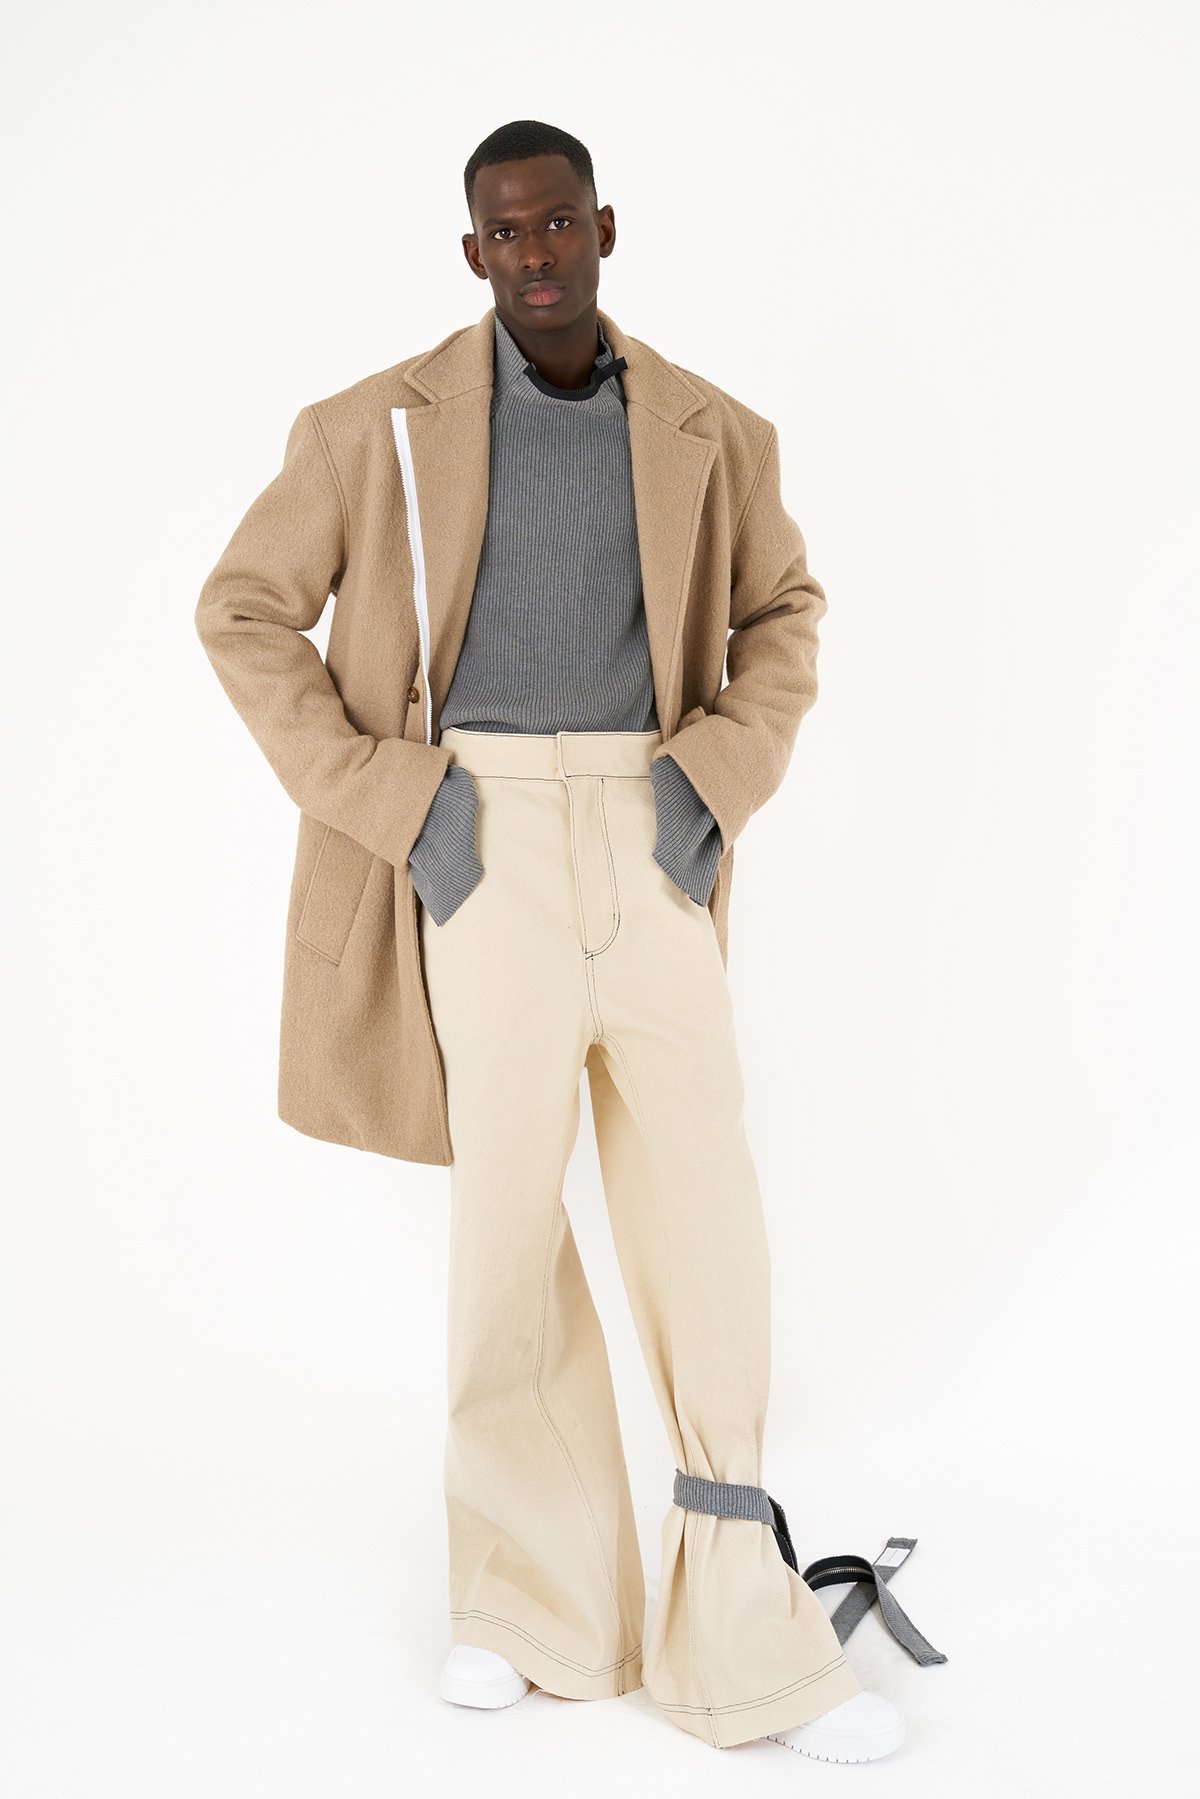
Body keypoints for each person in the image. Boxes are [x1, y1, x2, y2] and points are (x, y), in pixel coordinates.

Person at [195, 116, 904, 1763]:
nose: (536, 256)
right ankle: (530, 1603)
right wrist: (400, 805)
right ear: (471, 254)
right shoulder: (372, 428)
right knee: (506, 1229)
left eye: (560, 225)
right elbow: (242, 607)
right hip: (478, 841)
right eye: (505, 235)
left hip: (656, 836)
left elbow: (784, 613)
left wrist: (714, 781)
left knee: (704, 1228)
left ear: (604, 228)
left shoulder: (710, 428)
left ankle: (744, 1633)